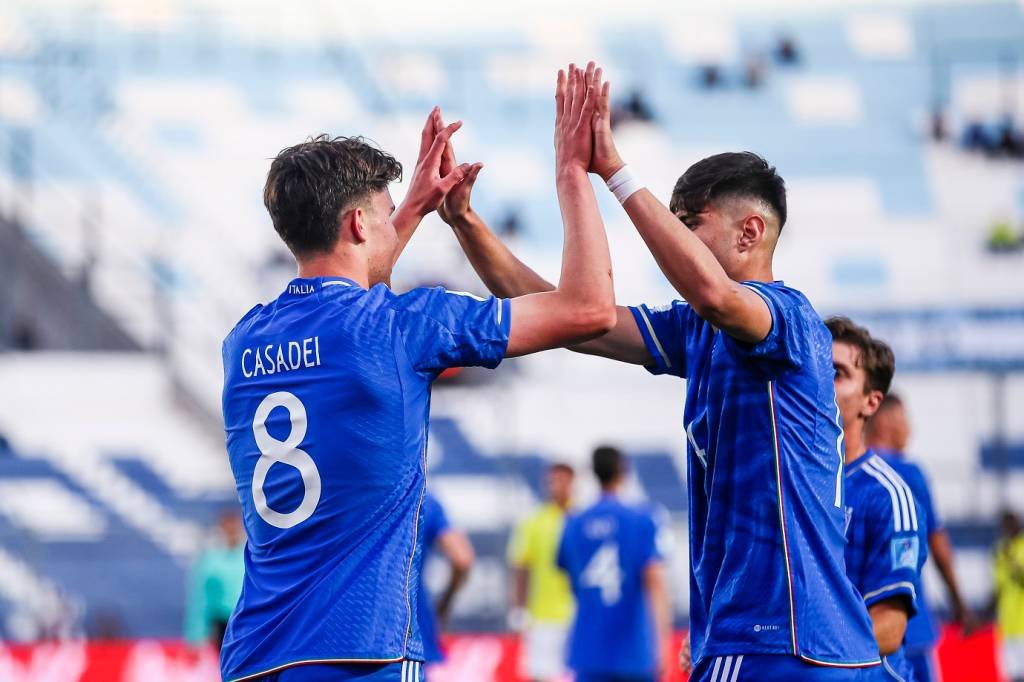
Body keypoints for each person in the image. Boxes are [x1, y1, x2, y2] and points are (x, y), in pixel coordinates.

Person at [438, 75, 882, 679]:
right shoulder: (698, 330)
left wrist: (611, 170)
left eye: (690, 223)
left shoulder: (788, 315)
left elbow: (715, 294)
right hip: (805, 643)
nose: (674, 237)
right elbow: (568, 315)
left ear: (749, 231)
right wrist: (467, 224)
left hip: (774, 637)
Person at [219, 63, 616, 682]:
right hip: (360, 652)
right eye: (378, 215)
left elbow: (346, 289)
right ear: (356, 225)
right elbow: (589, 308)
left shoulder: (244, 341)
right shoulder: (406, 324)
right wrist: (573, 173)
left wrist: (408, 209)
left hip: (256, 657)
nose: (389, 225)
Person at [828, 317, 929, 681]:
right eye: (816, 368)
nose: (820, 381)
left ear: (871, 403)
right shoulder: (783, 485)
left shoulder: (889, 496)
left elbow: (888, 627)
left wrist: (812, 651)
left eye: (837, 373)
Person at [867, 393, 980, 682]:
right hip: (907, 627)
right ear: (886, 420)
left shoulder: (846, 474)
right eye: (905, 419)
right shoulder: (907, 473)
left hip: (858, 630)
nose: (910, 428)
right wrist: (959, 603)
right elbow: (938, 545)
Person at [556, 446, 670, 682]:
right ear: (623, 471)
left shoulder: (573, 522)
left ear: (594, 473)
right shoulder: (643, 518)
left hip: (589, 648)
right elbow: (656, 583)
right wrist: (662, 645)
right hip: (634, 650)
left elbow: (571, 582)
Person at [507, 462, 576, 682]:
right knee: (542, 675)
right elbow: (521, 567)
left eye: (561, 480)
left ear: (572, 483)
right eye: (552, 481)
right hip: (543, 617)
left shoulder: (582, 519)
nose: (556, 486)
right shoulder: (534, 521)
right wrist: (519, 609)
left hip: (579, 614)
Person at [418, 492, 474, 667]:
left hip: (346, 628)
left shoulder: (343, 492)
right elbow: (462, 559)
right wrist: (444, 605)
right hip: (409, 626)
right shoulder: (421, 499)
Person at [184, 510, 245, 651]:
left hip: (247, 619)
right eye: (227, 527)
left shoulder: (250, 554)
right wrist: (195, 634)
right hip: (223, 621)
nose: (231, 531)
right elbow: (201, 598)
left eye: (234, 526)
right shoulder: (210, 559)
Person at [995, 509, 1024, 682]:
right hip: (1006, 625)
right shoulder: (1000, 550)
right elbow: (998, 587)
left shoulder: (1019, 548)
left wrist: (1011, 559)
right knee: (1011, 675)